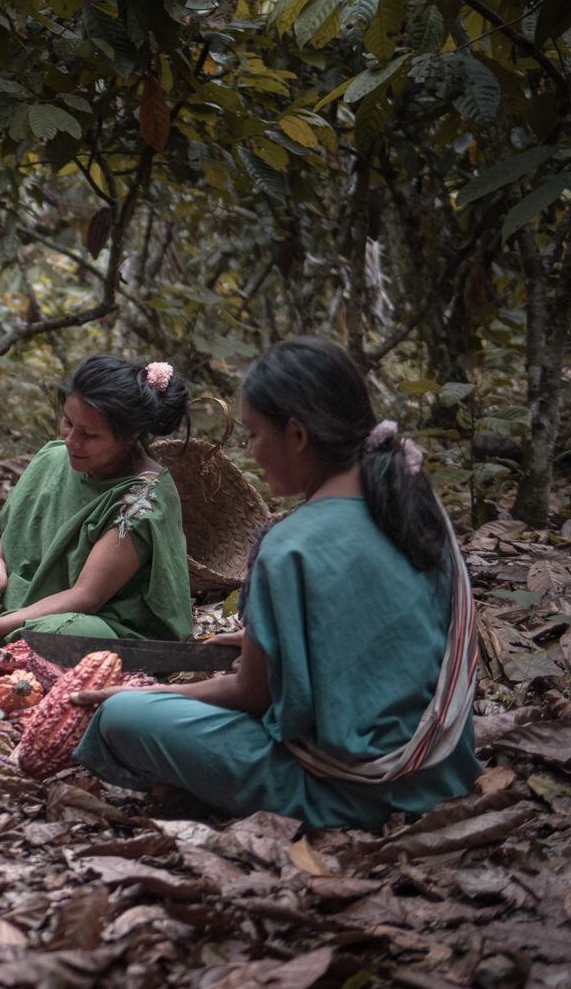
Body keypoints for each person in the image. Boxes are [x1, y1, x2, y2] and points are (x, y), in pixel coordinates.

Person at [73, 337, 481, 829]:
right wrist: (269, 638)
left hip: (351, 789)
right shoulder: (410, 502)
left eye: (253, 434)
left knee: (125, 718)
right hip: (443, 770)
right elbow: (385, 620)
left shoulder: (288, 546)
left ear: (298, 435)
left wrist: (141, 695)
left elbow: (252, 695)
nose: (252, 450)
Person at [0, 354, 194, 650]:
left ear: (130, 436)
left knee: (56, 635)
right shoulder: (53, 458)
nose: (71, 440)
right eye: (68, 422)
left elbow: (87, 597)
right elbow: (11, 541)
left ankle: (1, 642)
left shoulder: (142, 501)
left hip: (100, 624)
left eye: (89, 434)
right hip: (16, 608)